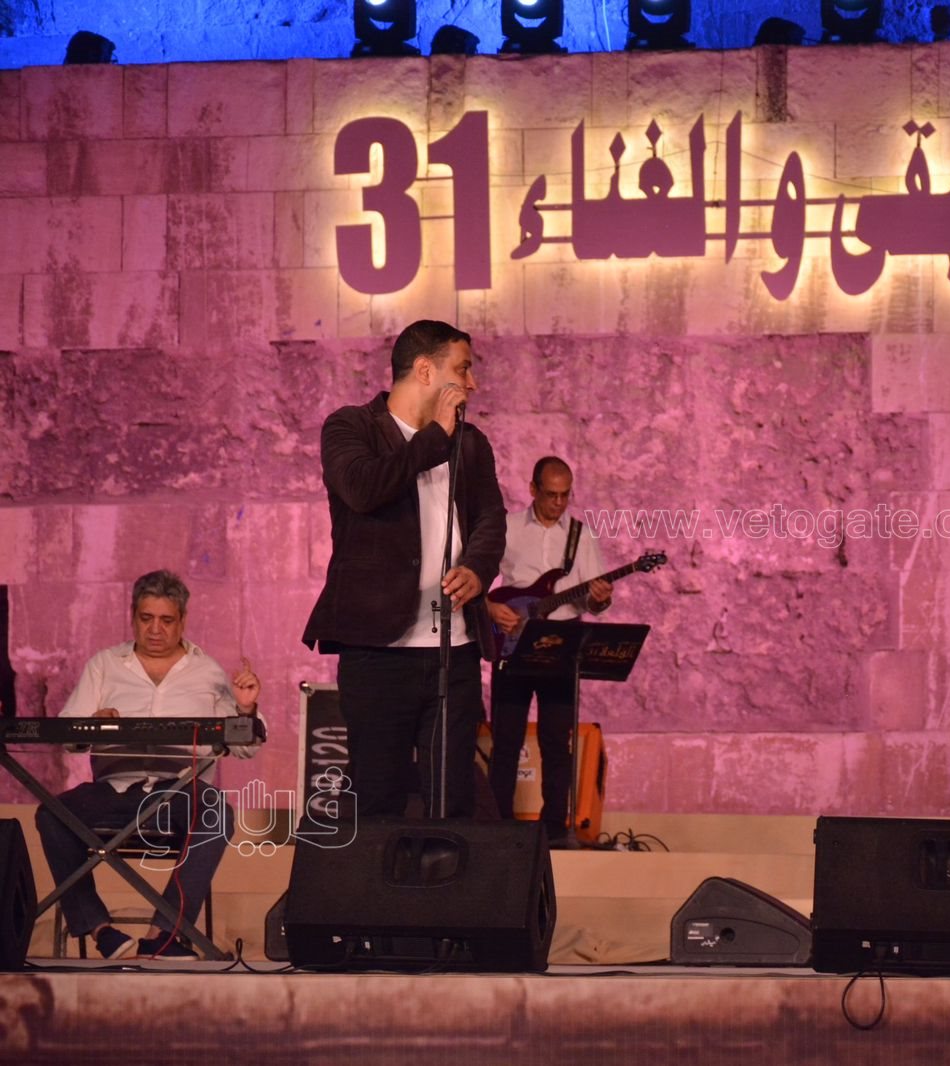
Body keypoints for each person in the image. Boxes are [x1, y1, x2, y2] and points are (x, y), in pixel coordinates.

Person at [302, 320, 506, 819]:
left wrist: (478, 569)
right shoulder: (351, 427)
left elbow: (490, 518)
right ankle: (382, 875)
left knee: (453, 798)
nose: (473, 383)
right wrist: (435, 436)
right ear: (425, 370)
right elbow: (364, 489)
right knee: (378, 797)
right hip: (378, 652)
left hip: (453, 651)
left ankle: (445, 873)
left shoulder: (471, 443)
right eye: (463, 369)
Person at [34, 570, 261, 960]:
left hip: (178, 791)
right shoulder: (105, 664)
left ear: (183, 621)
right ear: (132, 616)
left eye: (166, 620)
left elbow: (245, 749)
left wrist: (245, 710)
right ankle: (101, 930)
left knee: (216, 813)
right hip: (113, 791)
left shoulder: (207, 672)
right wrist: (94, 723)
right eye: (146, 618)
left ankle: (166, 934)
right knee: (52, 815)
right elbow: (70, 734)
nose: (155, 629)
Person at [486, 457, 612, 845]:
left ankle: (555, 827)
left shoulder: (580, 535)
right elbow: (476, 580)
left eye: (565, 495)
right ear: (533, 489)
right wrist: (490, 608)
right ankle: (498, 826)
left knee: (557, 741)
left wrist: (599, 599)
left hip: (562, 640)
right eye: (551, 494)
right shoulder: (506, 528)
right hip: (514, 638)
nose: (559, 503)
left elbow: (594, 601)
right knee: (506, 739)